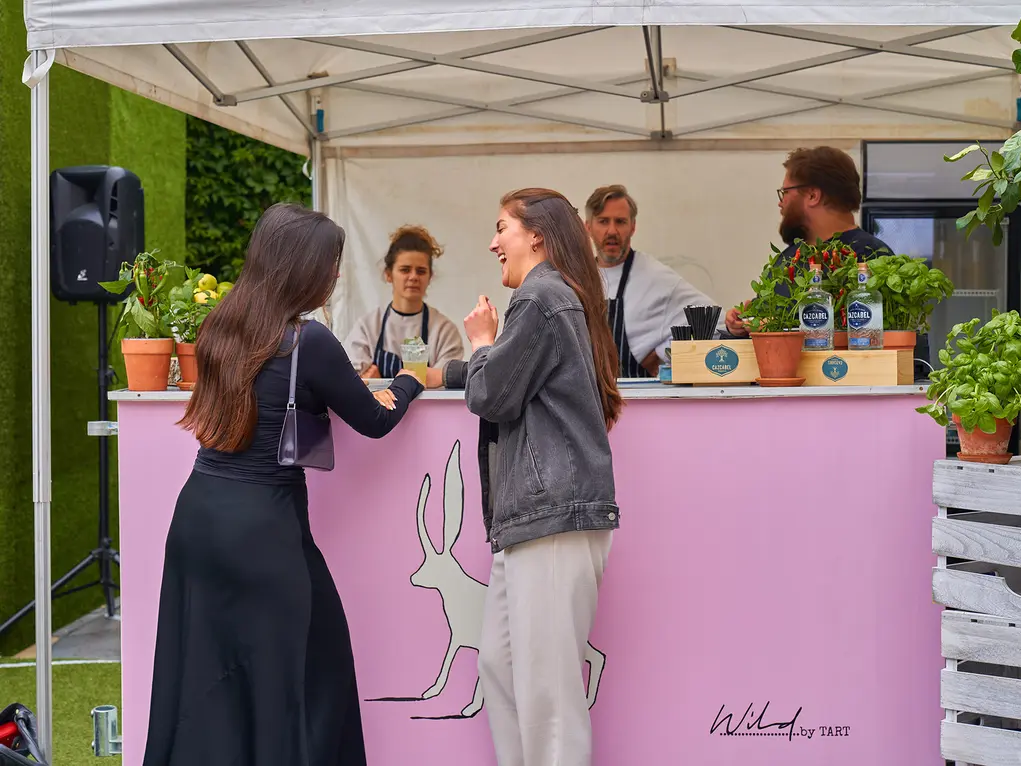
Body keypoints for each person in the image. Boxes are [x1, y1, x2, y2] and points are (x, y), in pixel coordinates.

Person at [142, 203, 424, 766]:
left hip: (199, 519)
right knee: (298, 674)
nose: (336, 275)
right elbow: (373, 422)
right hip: (263, 532)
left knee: (209, 673)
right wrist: (411, 382)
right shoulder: (309, 341)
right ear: (303, 268)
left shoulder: (221, 322)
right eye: (331, 264)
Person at [443, 188, 622, 766]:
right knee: (502, 665)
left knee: (547, 692)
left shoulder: (541, 298)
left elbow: (492, 393)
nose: (493, 242)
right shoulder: (555, 298)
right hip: (534, 518)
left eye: (502, 228)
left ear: (537, 235)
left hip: (550, 515)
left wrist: (479, 345)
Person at [725, 146, 893, 336]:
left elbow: (871, 338)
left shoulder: (870, 256)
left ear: (813, 196)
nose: (781, 202)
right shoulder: (787, 259)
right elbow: (763, 321)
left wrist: (780, 328)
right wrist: (742, 323)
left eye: (785, 192)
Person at [585, 184, 726, 378]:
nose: (612, 231)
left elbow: (717, 322)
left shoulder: (655, 277)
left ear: (633, 227)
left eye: (620, 222)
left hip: (636, 402)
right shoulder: (579, 277)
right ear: (588, 227)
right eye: (603, 221)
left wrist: (662, 353)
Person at [345, 224, 464, 386]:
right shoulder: (367, 327)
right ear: (388, 274)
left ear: (430, 277)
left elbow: (444, 381)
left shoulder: (445, 331)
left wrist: (378, 382)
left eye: (421, 271)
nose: (413, 277)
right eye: (405, 270)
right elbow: (352, 382)